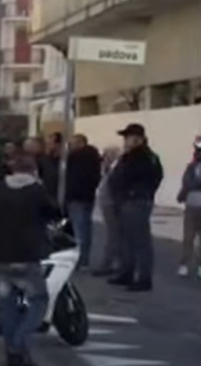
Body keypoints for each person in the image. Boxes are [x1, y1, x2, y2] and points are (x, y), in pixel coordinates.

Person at [0, 154, 59, 366]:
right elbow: (54, 212)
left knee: (6, 306)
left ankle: (13, 356)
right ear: (33, 171)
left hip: (1, 256)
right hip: (27, 257)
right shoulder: (37, 191)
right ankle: (19, 339)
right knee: (39, 299)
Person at [107, 123, 163, 292]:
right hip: (126, 200)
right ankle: (127, 272)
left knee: (140, 241)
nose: (125, 141)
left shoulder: (143, 157)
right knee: (127, 240)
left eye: (128, 137)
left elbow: (150, 177)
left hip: (136, 200)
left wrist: (134, 192)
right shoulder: (131, 156)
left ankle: (144, 278)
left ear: (137, 139)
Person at [65, 134, 102, 269]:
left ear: (80, 143)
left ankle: (80, 259)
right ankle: (83, 259)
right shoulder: (93, 157)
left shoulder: (76, 157)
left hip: (77, 196)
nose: (70, 146)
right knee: (85, 228)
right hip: (87, 196)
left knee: (79, 230)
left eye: (72, 143)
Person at [92, 146, 123, 277]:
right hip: (107, 202)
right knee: (113, 234)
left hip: (112, 203)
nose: (104, 157)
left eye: (107, 155)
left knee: (114, 234)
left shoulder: (116, 168)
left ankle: (110, 262)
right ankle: (114, 261)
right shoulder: (107, 168)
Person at [176, 136, 201, 277]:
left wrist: (183, 193)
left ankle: (186, 264)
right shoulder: (191, 167)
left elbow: (187, 183)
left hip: (193, 203)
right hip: (192, 204)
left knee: (189, 236)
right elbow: (187, 183)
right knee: (190, 237)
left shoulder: (192, 167)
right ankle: (188, 264)